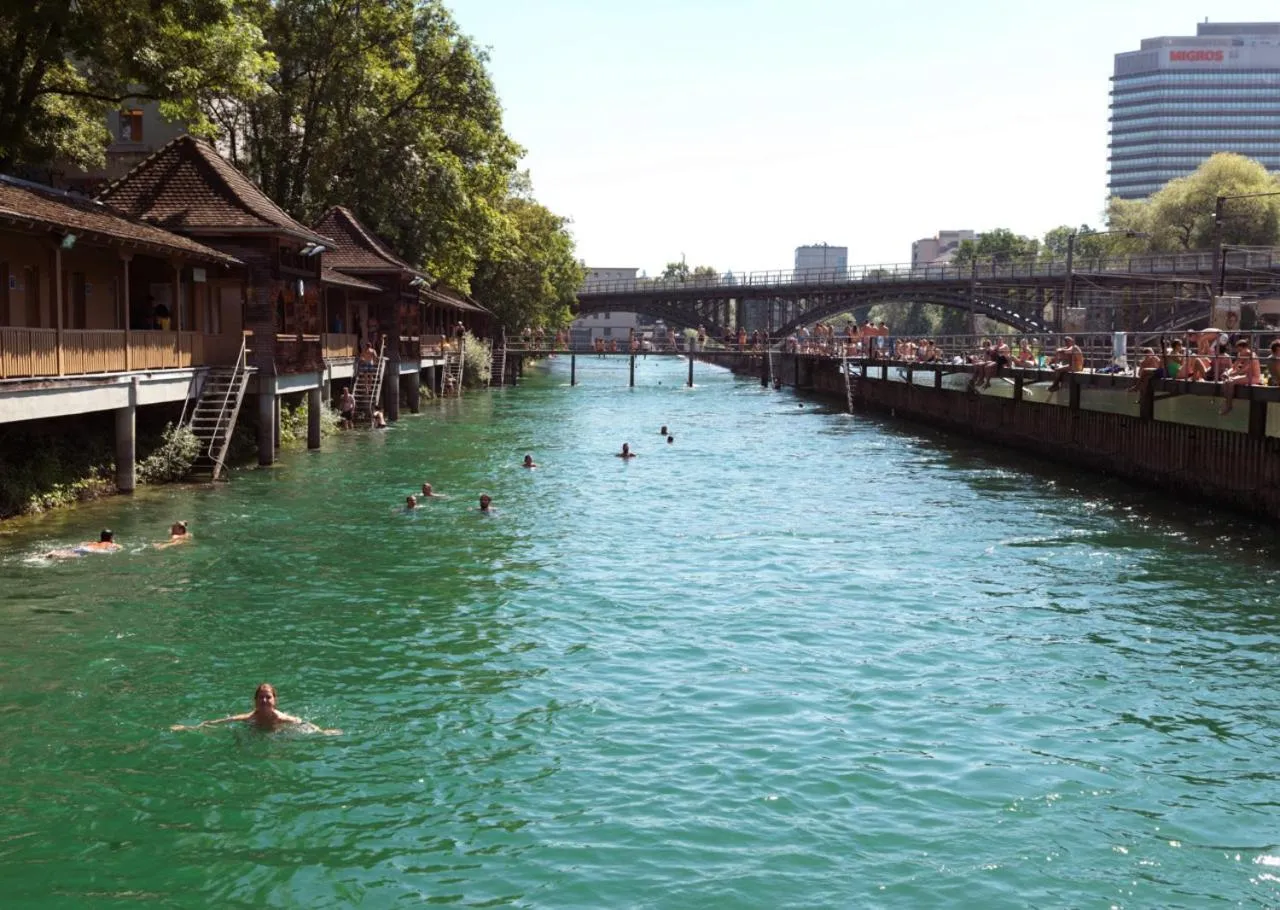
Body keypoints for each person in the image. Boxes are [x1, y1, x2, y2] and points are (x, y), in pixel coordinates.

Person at [170, 682, 339, 734]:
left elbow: (304, 724)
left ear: (275, 700)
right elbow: (220, 722)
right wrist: (188, 727)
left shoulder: (282, 718)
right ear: (255, 701)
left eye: (268, 697)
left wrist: (323, 731)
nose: (264, 700)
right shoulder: (250, 717)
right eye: (261, 697)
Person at [1220, 339, 1262, 415]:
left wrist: (1231, 375)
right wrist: (1226, 373)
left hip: (1254, 378)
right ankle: (1227, 401)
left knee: (1231, 381)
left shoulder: (1251, 356)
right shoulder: (1241, 354)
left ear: (1245, 348)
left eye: (1240, 350)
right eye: (1238, 350)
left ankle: (1229, 405)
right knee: (1226, 381)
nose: (1239, 351)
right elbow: (1234, 367)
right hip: (1246, 376)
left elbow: (1242, 370)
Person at [47, 529, 120, 559]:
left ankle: (54, 553)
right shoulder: (110, 544)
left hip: (85, 547)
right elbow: (119, 547)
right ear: (111, 537)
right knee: (71, 556)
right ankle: (55, 554)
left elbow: (83, 543)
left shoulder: (95, 542)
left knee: (70, 552)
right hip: (90, 550)